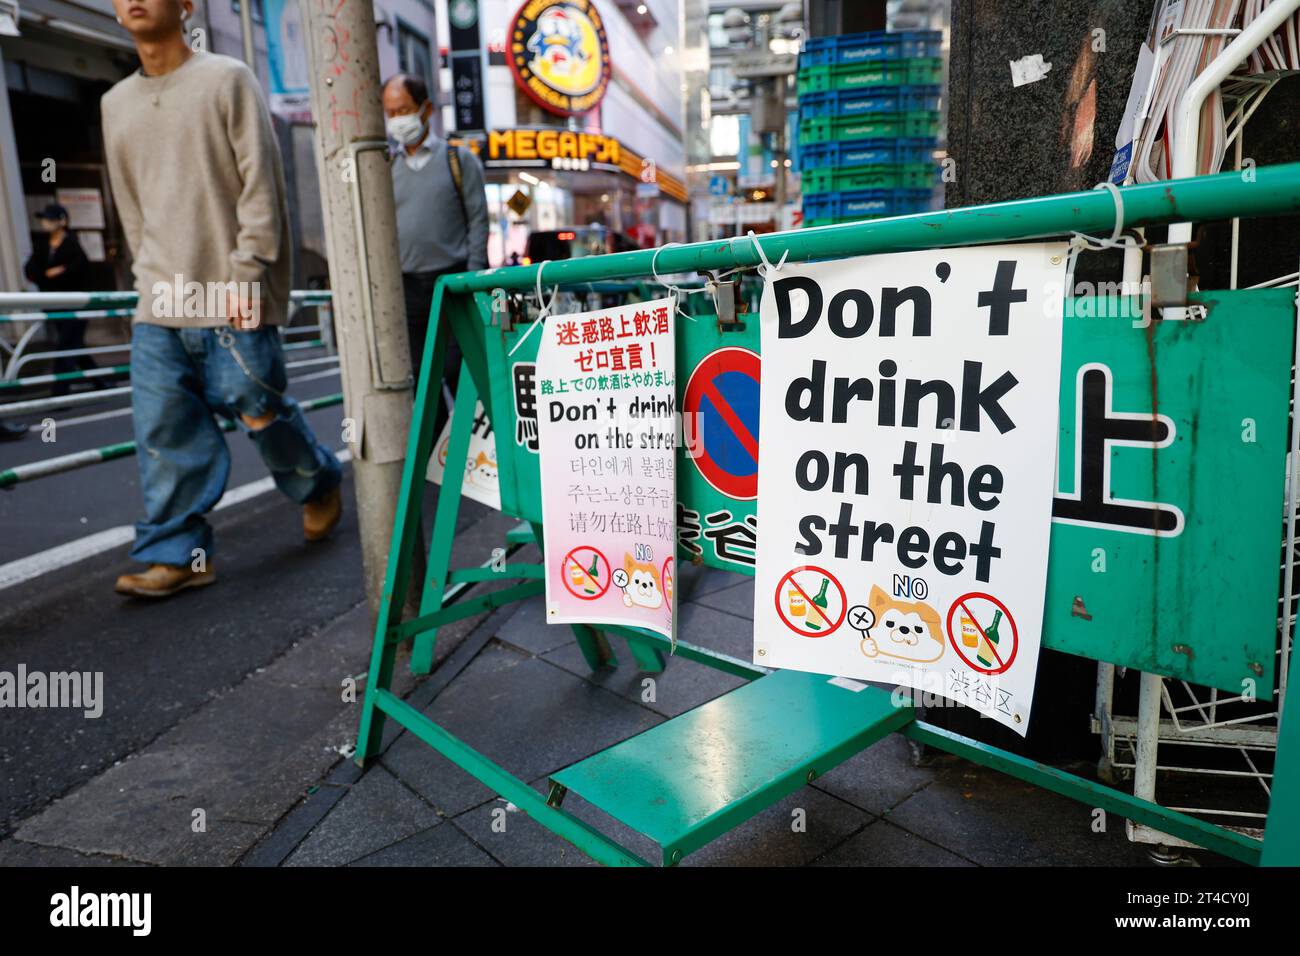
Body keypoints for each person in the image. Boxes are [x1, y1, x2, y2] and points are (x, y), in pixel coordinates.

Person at [102, 0, 342, 599]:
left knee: (256, 406)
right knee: (165, 431)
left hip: (233, 289)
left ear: (186, 7)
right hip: (159, 300)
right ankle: (180, 555)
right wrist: (148, 280)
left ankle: (317, 482)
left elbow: (262, 185)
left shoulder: (228, 78)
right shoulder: (113, 104)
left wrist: (247, 272)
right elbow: (131, 208)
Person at [382, 73, 487, 427]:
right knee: (421, 378)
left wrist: (472, 276)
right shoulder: (385, 168)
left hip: (454, 280)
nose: (398, 120)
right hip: (407, 287)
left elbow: (477, 219)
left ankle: (480, 460)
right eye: (391, 112)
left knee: (460, 369)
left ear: (426, 109)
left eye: (405, 110)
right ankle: (442, 465)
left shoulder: (457, 160)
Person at [24, 203, 97, 396]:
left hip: (75, 303)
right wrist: (49, 274)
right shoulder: (42, 245)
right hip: (53, 303)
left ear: (62, 221)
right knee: (73, 342)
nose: (45, 223)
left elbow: (79, 271)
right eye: (44, 219)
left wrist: (54, 274)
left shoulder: (72, 244)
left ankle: (59, 391)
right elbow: (30, 271)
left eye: (49, 219)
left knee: (67, 343)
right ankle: (99, 381)